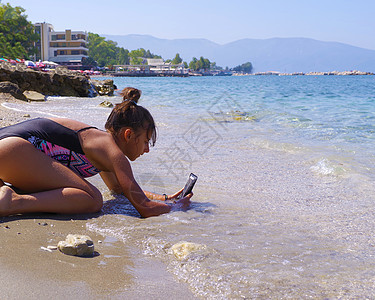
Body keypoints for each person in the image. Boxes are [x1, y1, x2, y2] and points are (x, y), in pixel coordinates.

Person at [0, 97, 192, 218]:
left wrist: (165, 198)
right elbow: (144, 208)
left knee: (81, 194)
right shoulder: (113, 152)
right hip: (14, 148)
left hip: (10, 151)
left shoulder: (103, 146)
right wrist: (177, 208)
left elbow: (120, 189)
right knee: (93, 200)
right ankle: (13, 202)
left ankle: (8, 191)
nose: (147, 150)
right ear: (128, 135)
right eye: (146, 142)